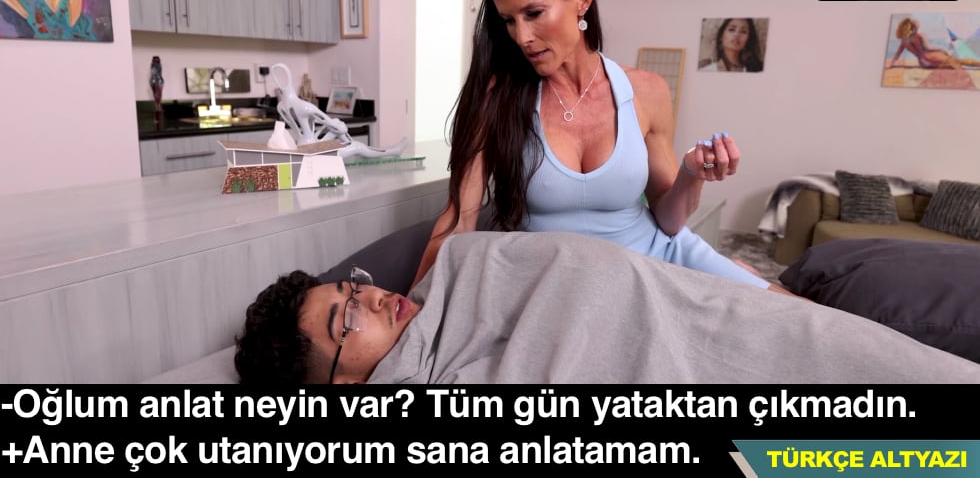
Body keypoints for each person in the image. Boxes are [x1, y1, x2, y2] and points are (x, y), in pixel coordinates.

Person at [410, 0, 784, 294]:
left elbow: (669, 223)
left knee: (802, 317)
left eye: (534, 13)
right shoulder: (497, 96)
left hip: (656, 259)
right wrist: (411, 308)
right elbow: (459, 220)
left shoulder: (647, 90)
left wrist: (691, 173)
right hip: (562, 281)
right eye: (509, 20)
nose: (521, 36)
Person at [234, 230, 980, 385]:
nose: (369, 295)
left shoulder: (461, 268)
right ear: (336, 383)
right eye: (347, 317)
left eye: (353, 286)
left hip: (695, 305)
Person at [887, 17, 980, 70]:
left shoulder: (904, 41)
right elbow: (928, 48)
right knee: (957, 61)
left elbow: (897, 54)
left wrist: (891, 64)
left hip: (922, 62)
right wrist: (942, 49)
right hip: (931, 56)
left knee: (950, 66)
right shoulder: (920, 36)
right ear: (914, 28)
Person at [699, 18, 765, 72]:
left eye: (743, 31)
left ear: (748, 40)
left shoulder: (756, 70)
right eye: (731, 30)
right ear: (721, 37)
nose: (737, 34)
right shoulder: (706, 71)